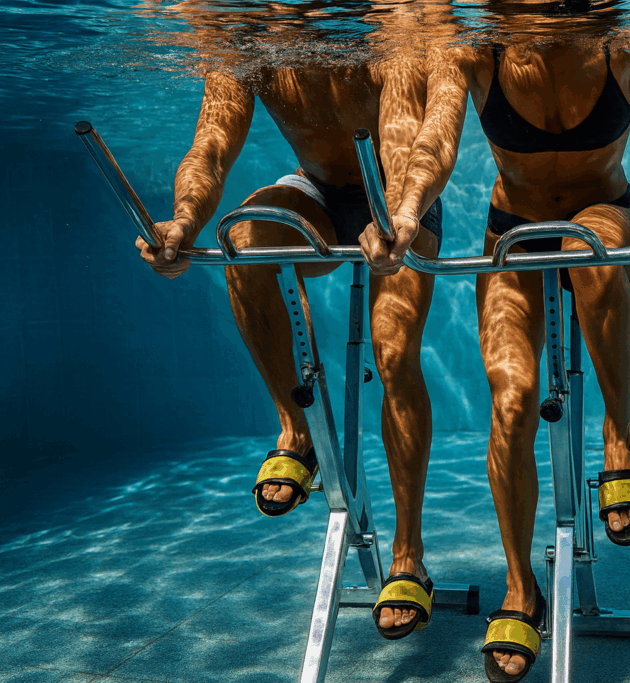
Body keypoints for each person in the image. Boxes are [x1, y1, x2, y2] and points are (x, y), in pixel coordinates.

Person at [359, 7, 630, 680]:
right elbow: (435, 141)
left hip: (608, 215)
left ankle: (620, 436)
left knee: (583, 250)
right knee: (511, 398)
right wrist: (406, 208)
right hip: (512, 230)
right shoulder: (472, 43)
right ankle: (521, 589)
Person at [135, 7, 443, 642]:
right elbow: (210, 146)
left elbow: (403, 140)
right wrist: (183, 221)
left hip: (399, 195)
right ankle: (296, 432)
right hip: (317, 188)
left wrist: (396, 216)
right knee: (244, 239)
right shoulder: (246, 33)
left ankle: (408, 553)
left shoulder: (387, 23)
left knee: (394, 353)